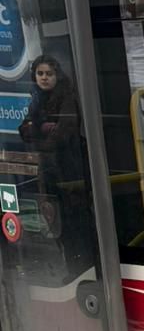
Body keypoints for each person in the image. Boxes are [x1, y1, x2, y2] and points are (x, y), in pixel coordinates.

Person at [18, 54, 92, 276]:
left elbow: (65, 131)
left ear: (56, 75)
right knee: (55, 221)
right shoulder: (37, 99)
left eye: (48, 74)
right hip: (49, 171)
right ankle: (71, 265)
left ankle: (83, 265)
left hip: (69, 167)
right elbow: (24, 129)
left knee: (74, 219)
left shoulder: (66, 96)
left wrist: (41, 134)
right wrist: (44, 129)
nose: (44, 78)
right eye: (40, 74)